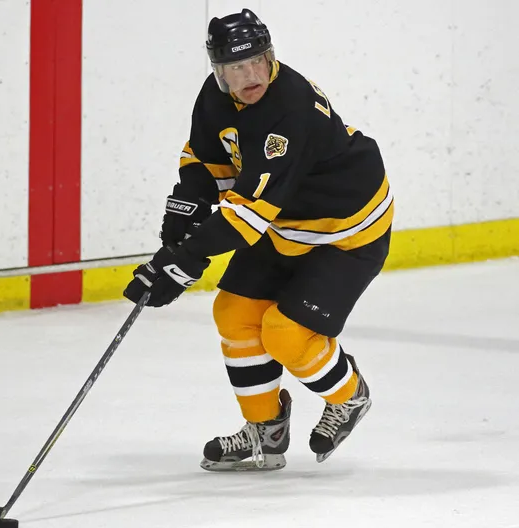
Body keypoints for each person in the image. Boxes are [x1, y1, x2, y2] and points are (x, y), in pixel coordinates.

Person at [124, 8, 393, 471]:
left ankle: (350, 397)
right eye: (236, 67)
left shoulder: (287, 113)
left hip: (345, 232)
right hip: (283, 221)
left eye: (259, 62)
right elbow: (205, 157)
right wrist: (182, 218)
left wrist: (184, 259)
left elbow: (245, 218)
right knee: (233, 314)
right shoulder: (215, 96)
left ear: (271, 58)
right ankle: (265, 432)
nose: (251, 75)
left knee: (285, 333)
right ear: (218, 71)